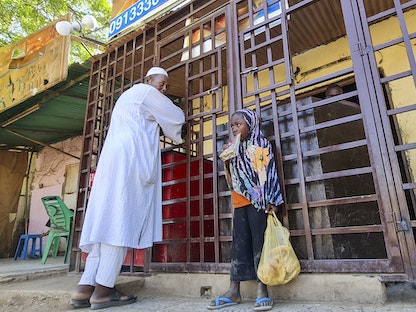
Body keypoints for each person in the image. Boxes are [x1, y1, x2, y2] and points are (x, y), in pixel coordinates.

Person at [70, 67, 185, 310]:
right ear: (148, 80)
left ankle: (85, 287)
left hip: (112, 160)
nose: (163, 89)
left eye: (166, 86)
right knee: (120, 219)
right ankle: (103, 291)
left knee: (104, 219)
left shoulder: (127, 97)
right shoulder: (144, 92)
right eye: (161, 83)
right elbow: (176, 117)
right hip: (130, 160)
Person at [208, 108, 283, 311]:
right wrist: (225, 159)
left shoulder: (261, 144)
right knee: (239, 245)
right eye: (232, 125)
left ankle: (262, 290)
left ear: (250, 124)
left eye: (238, 124)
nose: (234, 128)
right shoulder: (234, 146)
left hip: (260, 202)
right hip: (239, 201)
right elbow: (232, 178)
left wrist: (272, 200)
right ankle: (234, 291)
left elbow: (270, 173)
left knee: (260, 243)